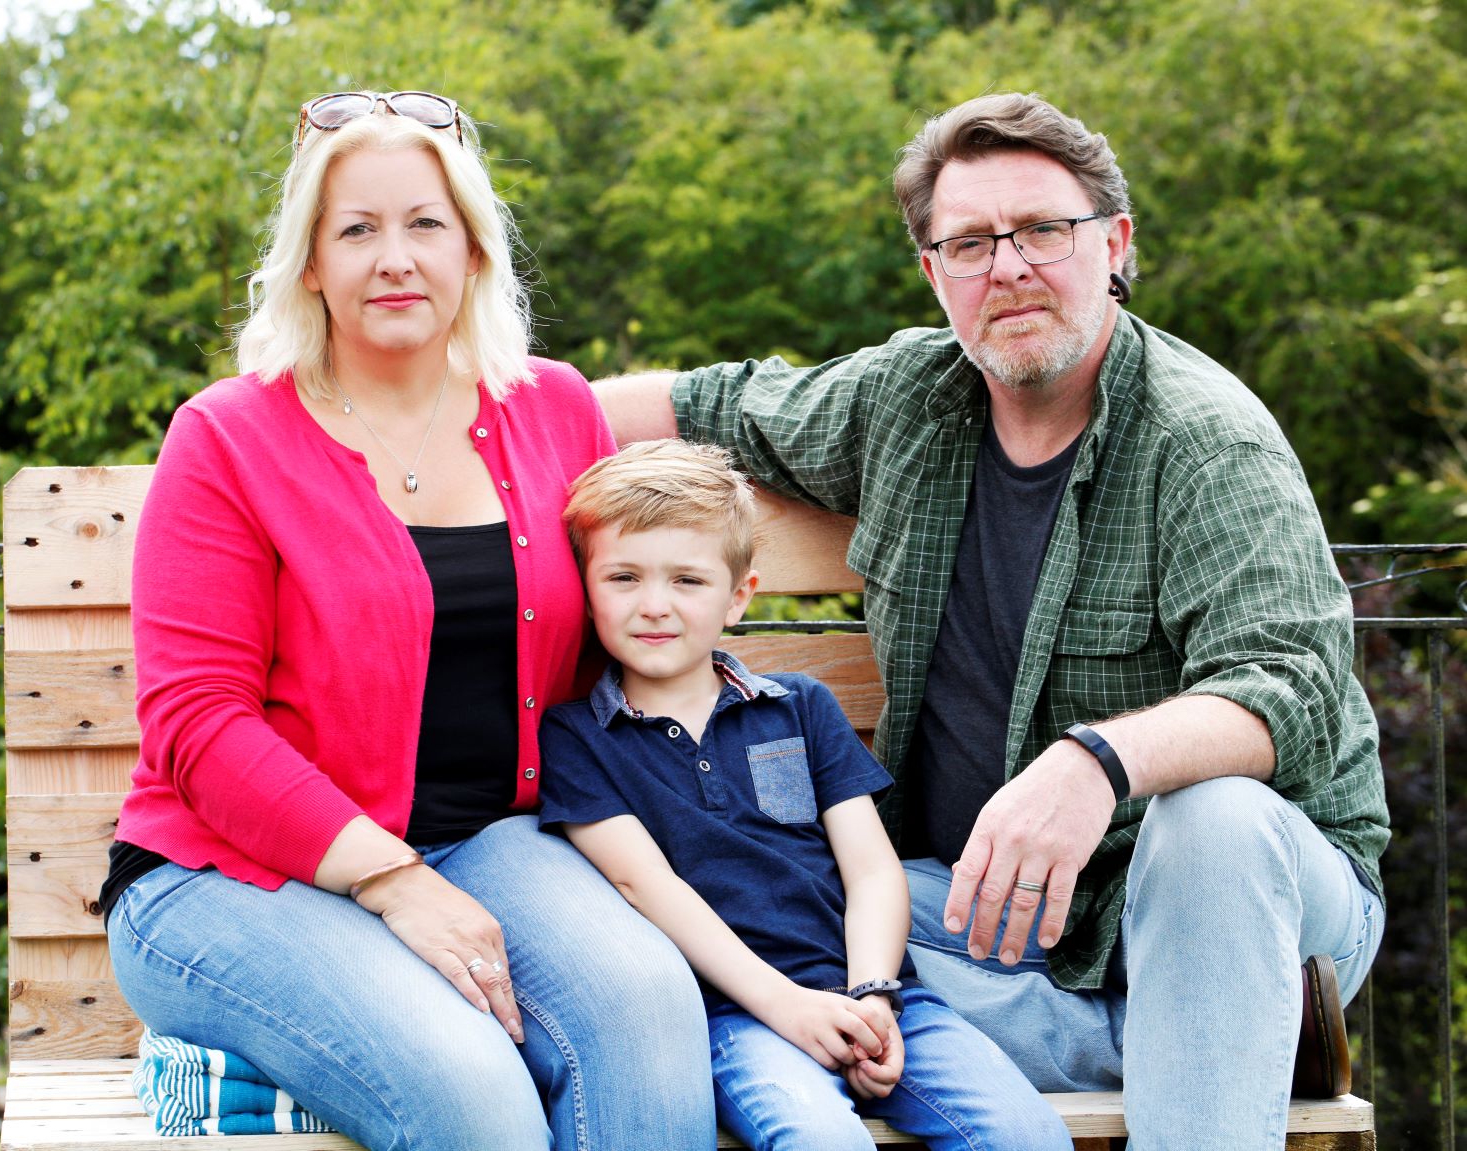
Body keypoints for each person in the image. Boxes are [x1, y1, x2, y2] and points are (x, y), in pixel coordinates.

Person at [593, 92, 1389, 1148]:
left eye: (1042, 230)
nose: (1007, 267)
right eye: (968, 243)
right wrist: (450, 428)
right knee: (752, 894)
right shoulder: (908, 400)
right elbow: (698, 403)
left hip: (1234, 899)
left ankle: (1199, 1022)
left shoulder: (1206, 442)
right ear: (935, 274)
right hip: (986, 912)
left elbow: (1287, 687)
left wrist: (1094, 764)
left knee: (1213, 819)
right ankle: (1182, 1039)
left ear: (1114, 243)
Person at [99, 91, 715, 1151]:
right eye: (356, 229)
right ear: (308, 263)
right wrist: (393, 880)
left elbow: (634, 616)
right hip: (229, 872)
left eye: (425, 223)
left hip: (492, 840)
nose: (395, 259)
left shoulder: (553, 409)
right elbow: (197, 723)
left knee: (652, 1014)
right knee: (473, 1093)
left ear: (472, 249)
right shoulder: (226, 436)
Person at [537, 440, 1072, 1150]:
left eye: (688, 580)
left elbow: (872, 870)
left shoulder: (799, 707)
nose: (655, 605)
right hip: (737, 1015)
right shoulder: (577, 737)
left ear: (738, 596)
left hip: (881, 999)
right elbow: (648, 887)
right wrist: (788, 1007)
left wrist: (873, 993)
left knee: (1024, 1134)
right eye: (624, 577)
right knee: (821, 1140)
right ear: (586, 589)